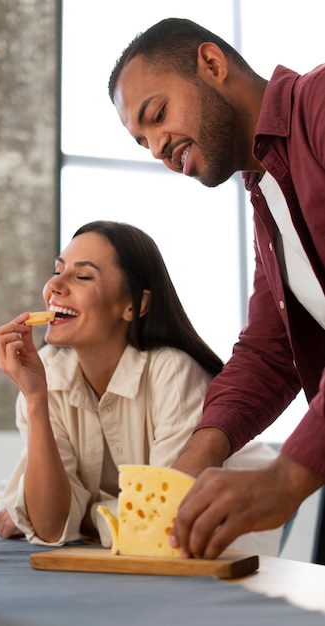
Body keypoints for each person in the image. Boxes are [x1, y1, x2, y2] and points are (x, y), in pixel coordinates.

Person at [108, 17, 325, 559]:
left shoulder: (319, 105)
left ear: (211, 65)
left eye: (156, 116)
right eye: (143, 142)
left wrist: (286, 478)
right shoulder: (268, 198)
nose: (158, 148)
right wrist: (200, 453)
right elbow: (271, 351)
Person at [0, 220, 283, 555]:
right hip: (130, 559)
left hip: (227, 548)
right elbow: (51, 526)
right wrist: (34, 399)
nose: (54, 285)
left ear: (134, 305)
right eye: (58, 270)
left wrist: (84, 517)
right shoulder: (47, 374)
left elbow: (162, 521)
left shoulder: (172, 372)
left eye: (83, 276)